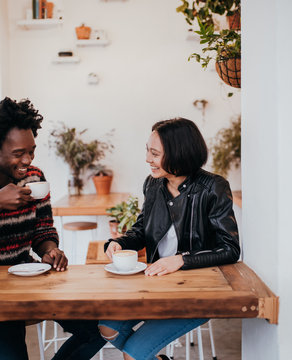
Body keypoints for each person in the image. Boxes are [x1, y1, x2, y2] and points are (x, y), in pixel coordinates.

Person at [0, 97, 105, 360]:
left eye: (31, 150)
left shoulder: (34, 178)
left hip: (29, 281)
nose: (28, 160)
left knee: (98, 329)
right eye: (18, 153)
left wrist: (50, 250)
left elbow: (43, 231)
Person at [98, 118, 241, 360]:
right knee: (107, 327)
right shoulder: (153, 185)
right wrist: (120, 242)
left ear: (179, 153)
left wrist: (182, 260)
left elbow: (230, 249)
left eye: (155, 153)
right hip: (157, 286)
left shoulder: (213, 187)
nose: (147, 159)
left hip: (197, 293)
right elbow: (142, 229)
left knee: (132, 356)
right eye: (147, 150)